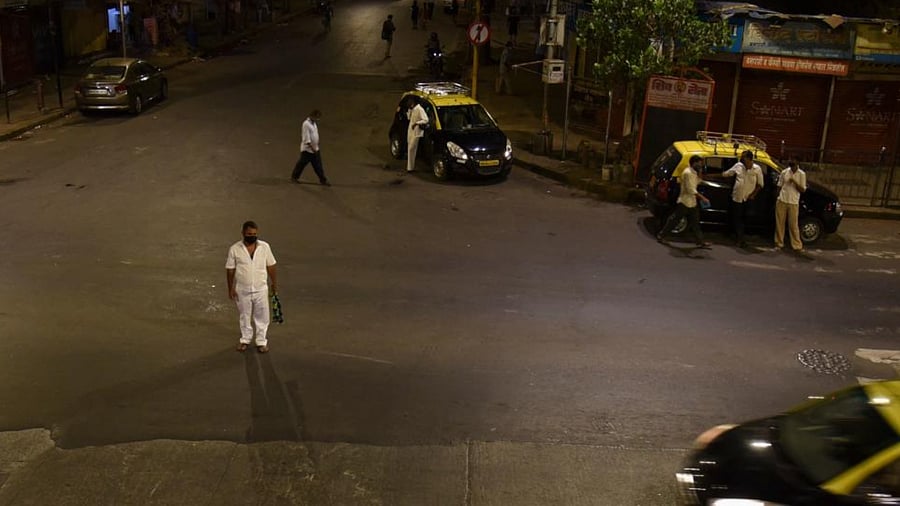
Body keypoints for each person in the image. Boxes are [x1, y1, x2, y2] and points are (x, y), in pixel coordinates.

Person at [226, 221, 278, 353]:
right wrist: (230, 287)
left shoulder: (265, 247)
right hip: (242, 289)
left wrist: (274, 284)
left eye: (254, 234)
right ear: (243, 233)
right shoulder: (235, 249)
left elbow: (271, 266)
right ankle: (245, 339)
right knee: (244, 315)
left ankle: (261, 341)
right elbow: (230, 270)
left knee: (262, 316)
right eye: (249, 234)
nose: (252, 236)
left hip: (261, 288)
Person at [657, 155, 712, 248]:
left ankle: (700, 241)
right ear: (694, 163)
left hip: (692, 202)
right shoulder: (688, 173)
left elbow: (698, 181)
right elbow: (691, 190)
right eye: (699, 163)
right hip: (685, 201)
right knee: (674, 220)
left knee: (695, 222)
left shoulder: (693, 172)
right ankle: (661, 235)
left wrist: (700, 173)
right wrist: (703, 198)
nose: (701, 165)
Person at [721, 150, 764, 247]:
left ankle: (740, 237)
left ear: (749, 159)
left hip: (748, 199)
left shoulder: (757, 169)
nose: (741, 159)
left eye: (743, 157)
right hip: (737, 197)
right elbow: (727, 174)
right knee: (737, 218)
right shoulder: (738, 166)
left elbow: (760, 185)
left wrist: (753, 195)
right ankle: (739, 239)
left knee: (744, 219)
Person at [291, 110, 331, 186]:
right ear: (313, 116)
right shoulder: (306, 124)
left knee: (318, 166)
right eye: (317, 117)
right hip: (307, 150)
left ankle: (323, 180)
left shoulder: (314, 123)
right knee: (301, 164)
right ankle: (294, 177)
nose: (318, 119)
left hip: (315, 148)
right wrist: (312, 148)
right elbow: (306, 137)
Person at [775, 160, 807, 251]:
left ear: (797, 164)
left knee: (793, 224)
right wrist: (778, 197)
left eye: (793, 166)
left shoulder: (801, 174)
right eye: (791, 166)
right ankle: (779, 242)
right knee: (779, 223)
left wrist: (794, 181)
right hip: (782, 200)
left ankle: (796, 244)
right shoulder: (784, 172)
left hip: (793, 202)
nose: (792, 168)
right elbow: (779, 185)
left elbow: (802, 190)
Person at [406, 97, 429, 173]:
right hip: (410, 130)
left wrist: (417, 123)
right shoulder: (412, 109)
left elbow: (425, 120)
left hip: (416, 131)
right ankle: (409, 167)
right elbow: (409, 118)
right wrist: (409, 110)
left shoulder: (419, 109)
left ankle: (410, 168)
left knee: (411, 148)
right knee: (410, 147)